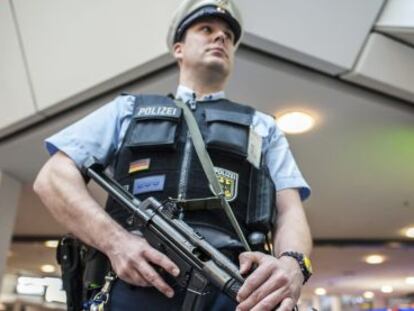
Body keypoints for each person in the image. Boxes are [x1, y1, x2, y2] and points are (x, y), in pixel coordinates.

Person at [33, 0, 313, 310]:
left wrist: (293, 265)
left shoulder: (263, 127)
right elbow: (53, 178)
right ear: (178, 48)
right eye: (206, 29)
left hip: (233, 287)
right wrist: (116, 241)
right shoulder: (127, 111)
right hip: (133, 283)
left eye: (228, 36)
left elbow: (290, 210)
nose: (220, 38)